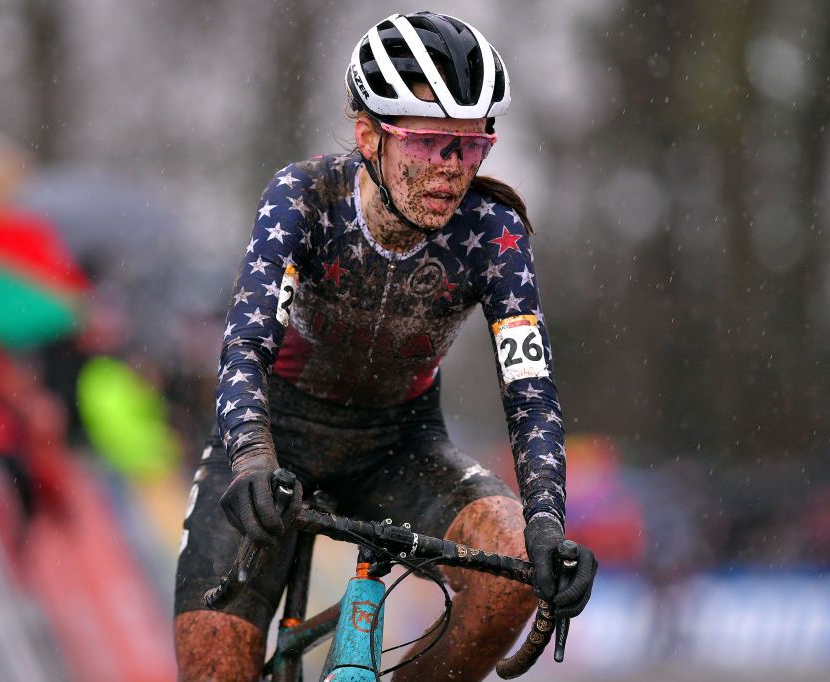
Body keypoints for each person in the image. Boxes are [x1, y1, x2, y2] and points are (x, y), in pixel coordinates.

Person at [174, 11, 597, 681]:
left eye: (472, 145)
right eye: (430, 142)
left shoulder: (494, 232)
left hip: (400, 447)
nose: (452, 169)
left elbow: (531, 392)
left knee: (514, 567)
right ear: (368, 135)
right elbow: (246, 345)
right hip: (276, 441)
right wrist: (252, 457)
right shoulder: (304, 197)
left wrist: (548, 522)